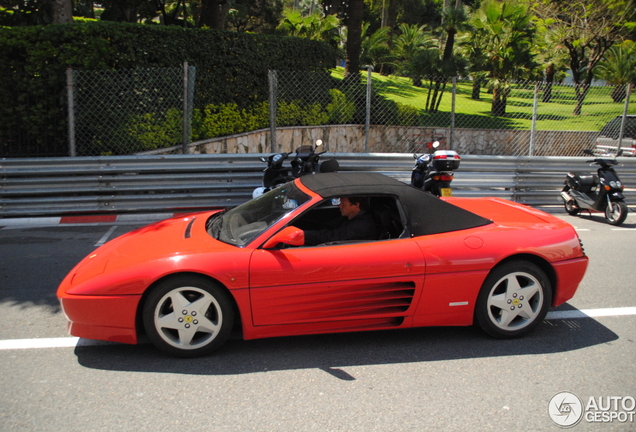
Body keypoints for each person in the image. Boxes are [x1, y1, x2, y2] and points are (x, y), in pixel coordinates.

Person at [301, 196, 378, 246]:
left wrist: (304, 234)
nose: (339, 206)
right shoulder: (349, 218)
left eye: (343, 204)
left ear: (356, 205)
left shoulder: (360, 226)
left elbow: (331, 237)